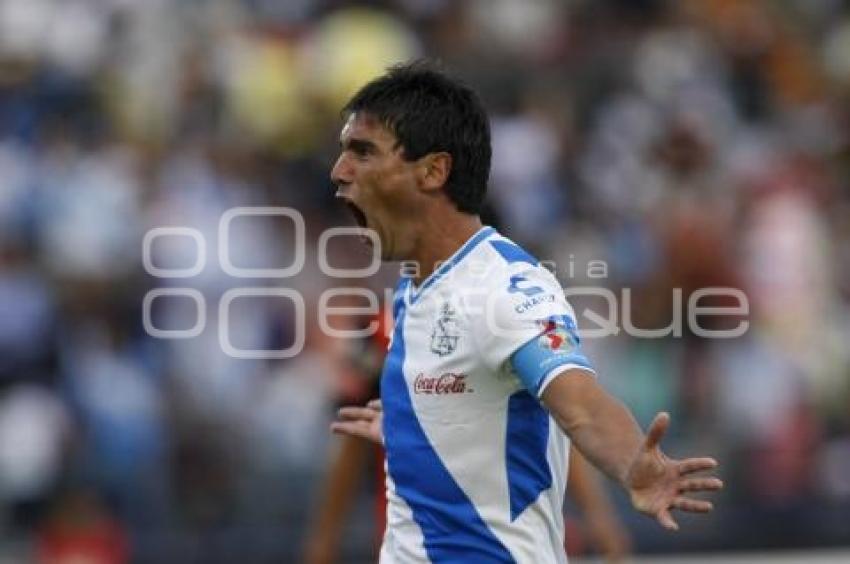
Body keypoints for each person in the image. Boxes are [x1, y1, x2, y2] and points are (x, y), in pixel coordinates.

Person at [329, 61, 722, 563]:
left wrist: (633, 465)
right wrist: (425, 425)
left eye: (362, 152)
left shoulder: (505, 286)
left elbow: (577, 401)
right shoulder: (414, 289)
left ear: (433, 170)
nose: (339, 172)